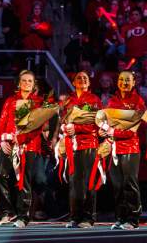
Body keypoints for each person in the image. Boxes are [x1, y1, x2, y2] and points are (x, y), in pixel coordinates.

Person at [0, 70, 44, 228]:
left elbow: (38, 128)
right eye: (24, 80)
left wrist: (22, 139)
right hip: (8, 144)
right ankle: (7, 212)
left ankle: (23, 216)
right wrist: (3, 139)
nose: (26, 83)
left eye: (30, 81)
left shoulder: (37, 102)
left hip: (28, 146)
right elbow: (2, 123)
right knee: (0, 175)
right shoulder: (10, 101)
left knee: (24, 180)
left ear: (33, 84)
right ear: (18, 83)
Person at [99, 70, 145, 230]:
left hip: (130, 148)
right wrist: (103, 131)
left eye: (128, 80)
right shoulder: (112, 100)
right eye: (121, 79)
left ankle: (133, 219)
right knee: (117, 185)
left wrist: (114, 132)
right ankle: (120, 217)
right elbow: (106, 122)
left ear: (134, 83)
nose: (124, 82)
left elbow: (133, 129)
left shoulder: (138, 101)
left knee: (129, 183)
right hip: (114, 148)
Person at [61, 71, 102, 228]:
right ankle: (75, 216)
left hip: (89, 144)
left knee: (88, 181)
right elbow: (63, 121)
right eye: (78, 77)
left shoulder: (94, 99)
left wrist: (76, 128)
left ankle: (88, 217)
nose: (82, 79)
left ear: (89, 83)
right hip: (72, 145)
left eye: (85, 78)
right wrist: (65, 128)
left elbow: (96, 123)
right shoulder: (68, 101)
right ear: (73, 82)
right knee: (74, 183)